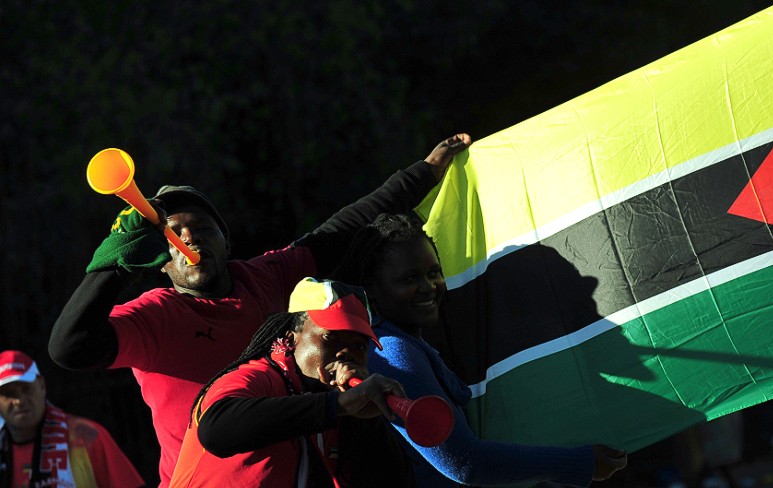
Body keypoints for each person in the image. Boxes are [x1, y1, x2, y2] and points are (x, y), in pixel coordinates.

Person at [49, 134, 472, 486]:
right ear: (157, 259)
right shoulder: (155, 315)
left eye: (202, 228)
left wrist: (425, 172)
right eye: (172, 234)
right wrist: (114, 268)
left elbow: (341, 231)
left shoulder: (263, 276)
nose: (189, 238)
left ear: (226, 241)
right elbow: (69, 348)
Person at [333, 212, 629, 487]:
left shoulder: (405, 342)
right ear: (371, 289)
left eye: (434, 273)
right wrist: (580, 463)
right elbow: (465, 464)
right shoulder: (392, 351)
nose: (429, 286)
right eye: (410, 278)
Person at [170, 278, 414, 487]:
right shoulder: (257, 376)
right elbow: (214, 431)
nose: (345, 353)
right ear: (290, 337)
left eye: (359, 346)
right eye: (331, 337)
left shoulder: (336, 408)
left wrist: (368, 420)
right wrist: (339, 404)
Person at [0, 350, 145, 488]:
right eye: (8, 394)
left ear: (42, 385)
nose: (19, 401)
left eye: (26, 389)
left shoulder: (85, 435)